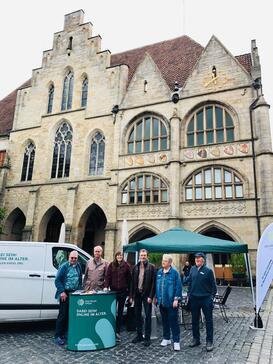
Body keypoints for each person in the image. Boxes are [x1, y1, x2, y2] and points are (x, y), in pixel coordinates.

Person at [188, 252, 217, 352]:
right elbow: (190, 283)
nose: (197, 259)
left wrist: (211, 298)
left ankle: (209, 341)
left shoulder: (208, 271)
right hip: (194, 299)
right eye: (196, 258)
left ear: (203, 260)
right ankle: (196, 339)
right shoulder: (192, 269)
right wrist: (189, 295)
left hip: (205, 299)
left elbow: (214, 287)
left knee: (209, 321)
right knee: (194, 320)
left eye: (199, 258)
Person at [54, 250, 82, 346]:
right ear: (69, 258)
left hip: (74, 294)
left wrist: (79, 291)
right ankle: (58, 336)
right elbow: (57, 280)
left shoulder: (78, 266)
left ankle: (65, 334)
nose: (73, 260)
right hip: (64, 293)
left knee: (70, 315)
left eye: (75, 258)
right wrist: (62, 291)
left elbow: (80, 281)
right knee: (62, 314)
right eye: (72, 258)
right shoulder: (64, 266)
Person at [155, 254, 182, 351]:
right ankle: (166, 338)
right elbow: (156, 286)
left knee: (173, 321)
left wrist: (176, 299)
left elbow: (178, 287)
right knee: (164, 321)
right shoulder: (159, 272)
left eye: (165, 261)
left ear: (170, 263)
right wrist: (156, 297)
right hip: (162, 301)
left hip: (171, 302)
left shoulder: (175, 273)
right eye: (163, 260)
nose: (163, 262)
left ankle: (176, 341)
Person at [129, 249, 156, 347]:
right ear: (139, 256)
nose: (143, 257)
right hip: (137, 294)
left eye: (144, 255)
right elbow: (132, 282)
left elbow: (153, 283)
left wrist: (151, 296)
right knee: (137, 315)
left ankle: (147, 338)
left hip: (146, 295)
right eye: (141, 255)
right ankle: (139, 335)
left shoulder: (152, 267)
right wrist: (131, 296)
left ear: (147, 256)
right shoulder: (135, 267)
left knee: (147, 316)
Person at [104, 251, 132, 342]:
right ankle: (110, 330)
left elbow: (129, 279)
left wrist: (129, 292)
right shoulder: (111, 265)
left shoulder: (126, 266)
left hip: (123, 292)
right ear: (115, 256)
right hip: (113, 292)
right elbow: (107, 277)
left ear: (122, 257)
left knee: (120, 312)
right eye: (118, 255)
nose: (119, 257)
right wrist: (106, 286)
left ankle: (117, 332)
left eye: (121, 255)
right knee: (112, 312)